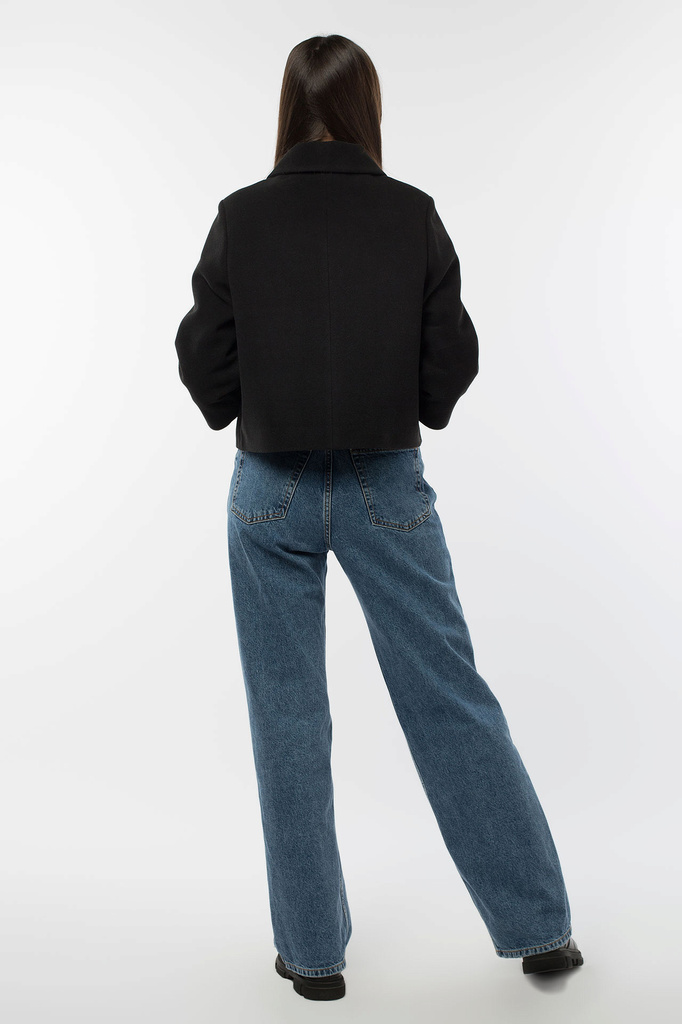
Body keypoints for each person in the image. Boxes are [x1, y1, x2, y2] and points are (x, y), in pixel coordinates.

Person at [174, 33, 584, 1003]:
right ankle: (540, 931)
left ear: (289, 107)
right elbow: (452, 362)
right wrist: (408, 400)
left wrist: (250, 401)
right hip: (385, 485)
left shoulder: (241, 215)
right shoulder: (412, 215)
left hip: (268, 486)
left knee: (286, 718)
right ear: (367, 110)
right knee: (449, 696)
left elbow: (203, 359)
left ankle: (313, 957)